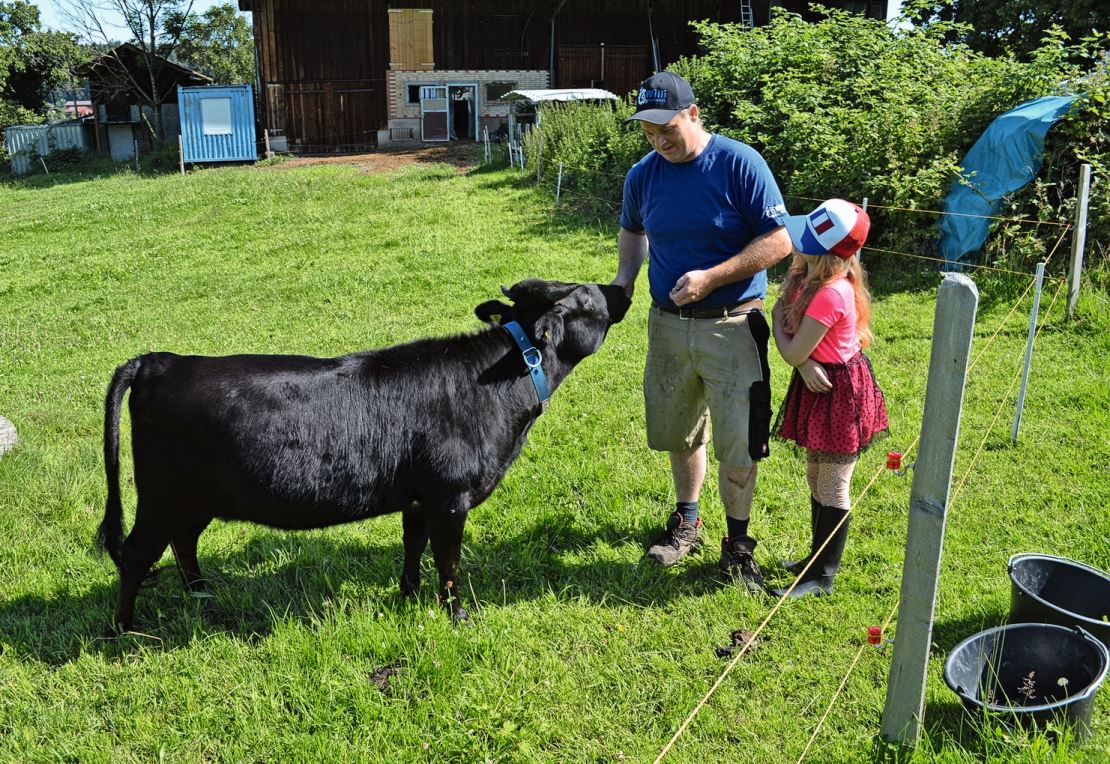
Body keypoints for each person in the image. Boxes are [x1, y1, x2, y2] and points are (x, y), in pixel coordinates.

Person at [613, 71, 793, 591]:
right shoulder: (644, 174)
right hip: (668, 326)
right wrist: (626, 279)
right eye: (648, 133)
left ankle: (738, 545)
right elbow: (632, 228)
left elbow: (779, 240)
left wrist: (713, 277)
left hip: (733, 324)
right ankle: (687, 519)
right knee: (680, 429)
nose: (659, 141)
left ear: (694, 114)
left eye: (666, 128)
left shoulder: (740, 164)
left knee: (739, 440)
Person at [768, 199, 889, 598]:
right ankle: (815, 559)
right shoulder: (811, 279)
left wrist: (775, 322)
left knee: (834, 484)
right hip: (820, 383)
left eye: (804, 239)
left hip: (839, 394)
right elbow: (800, 356)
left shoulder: (829, 294)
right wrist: (803, 364)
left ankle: (824, 576)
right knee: (816, 476)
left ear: (824, 254)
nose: (794, 244)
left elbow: (790, 350)